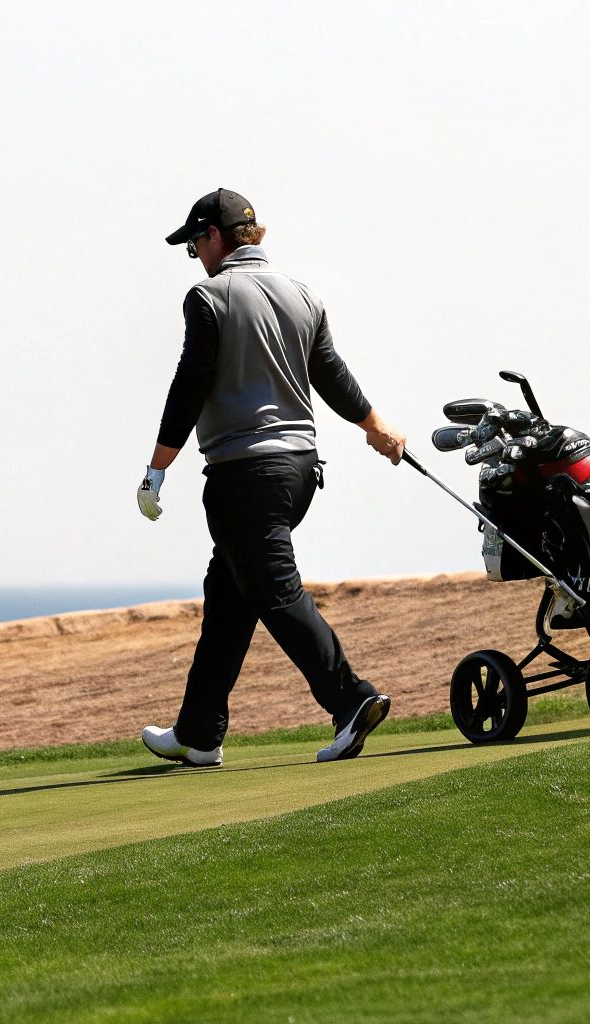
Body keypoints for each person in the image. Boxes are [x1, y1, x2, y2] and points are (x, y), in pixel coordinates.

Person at [135, 188, 408, 767]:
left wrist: (157, 469)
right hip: (300, 471)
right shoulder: (300, 293)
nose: (196, 257)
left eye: (195, 245)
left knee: (275, 591)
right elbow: (329, 372)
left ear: (215, 236)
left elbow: (191, 385)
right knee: (229, 598)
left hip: (243, 475)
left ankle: (351, 699)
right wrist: (374, 425)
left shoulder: (209, 297)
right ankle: (199, 733)